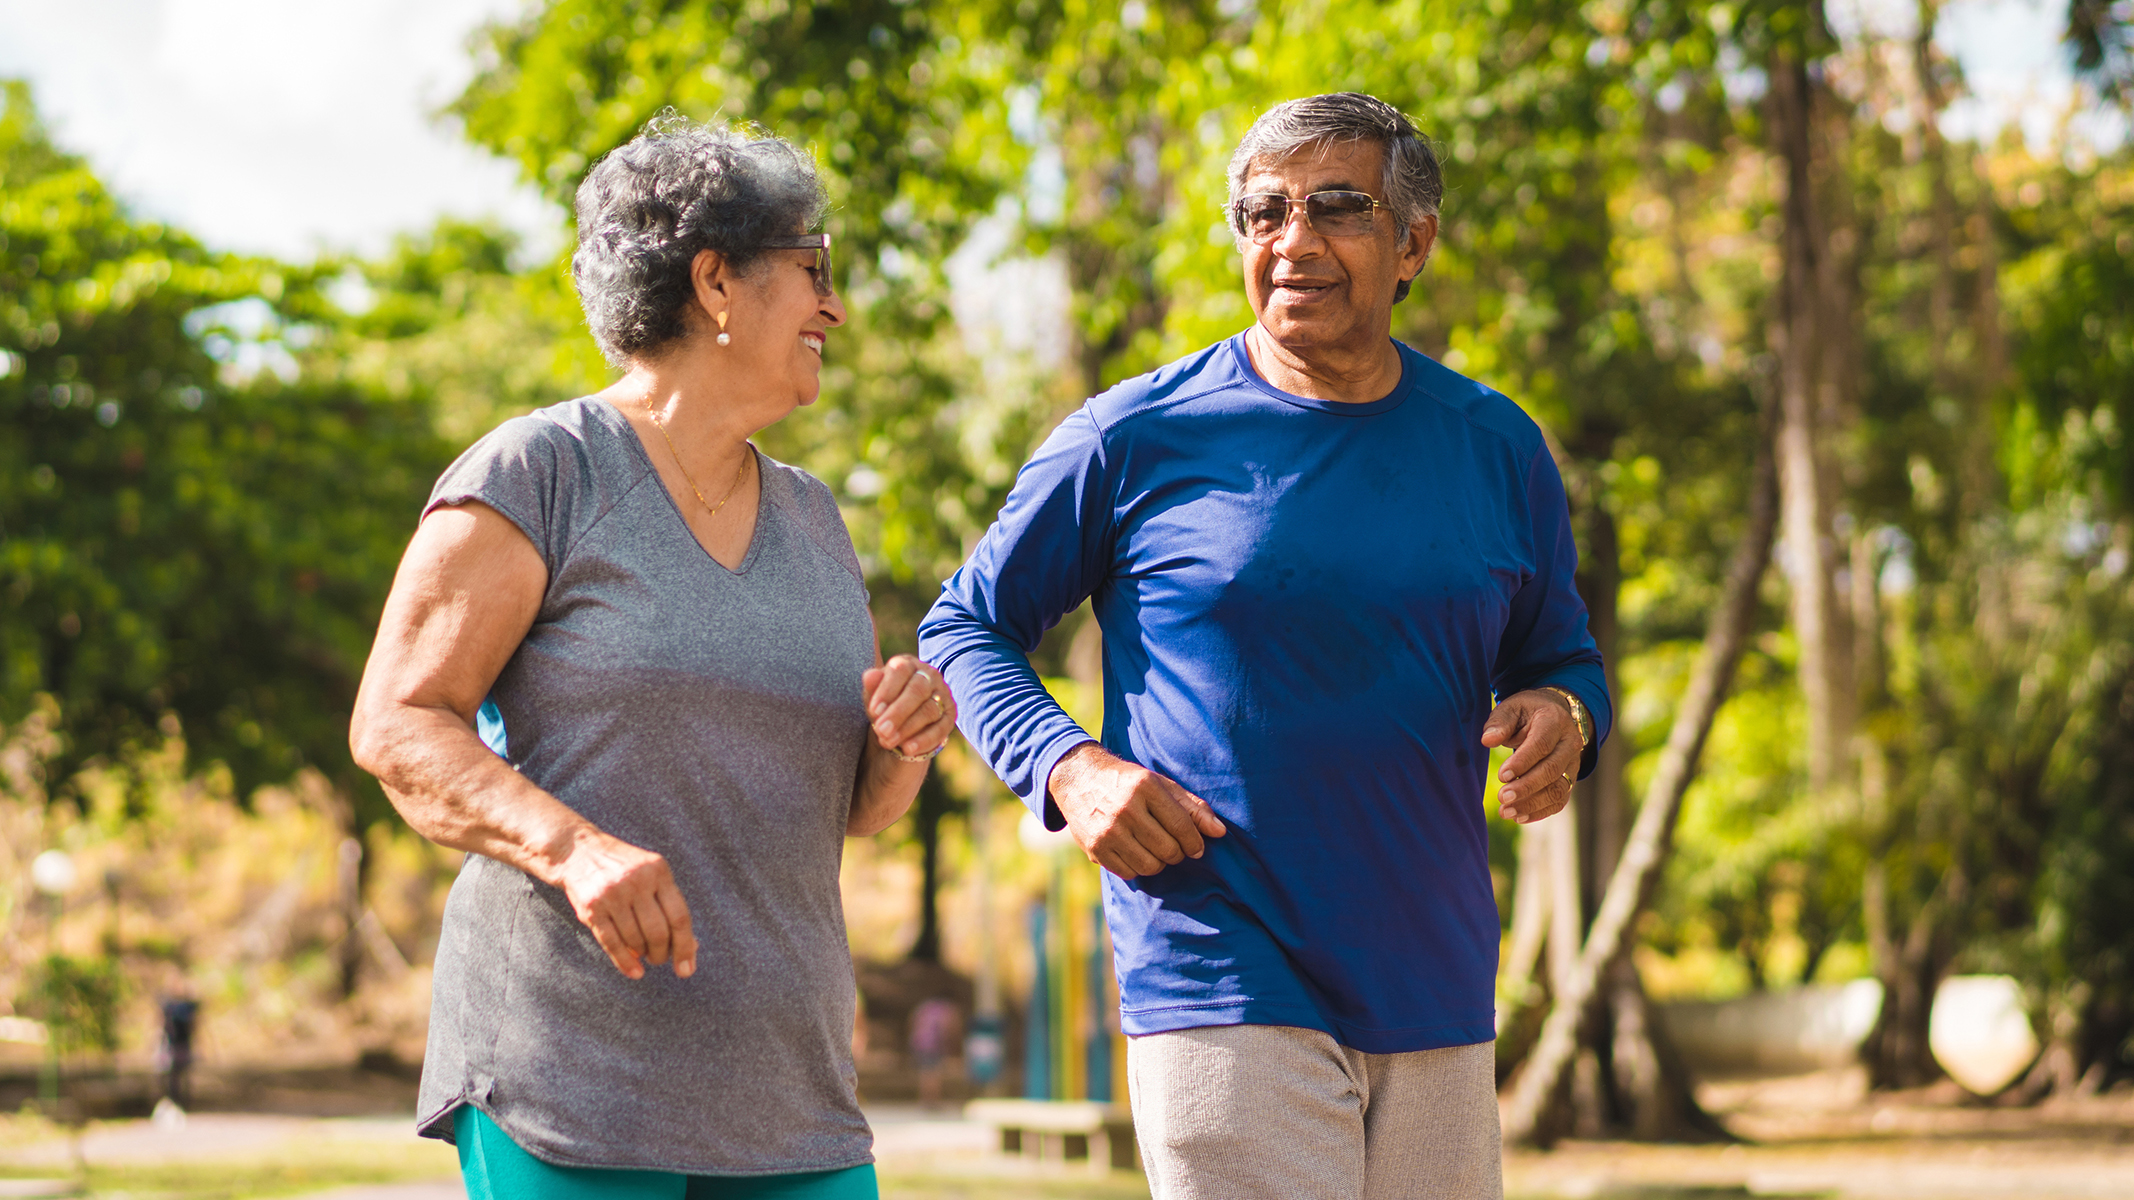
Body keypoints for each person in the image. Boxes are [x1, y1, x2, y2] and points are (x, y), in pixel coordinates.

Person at [917, 92, 1608, 1200]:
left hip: (1433, 976)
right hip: (1217, 958)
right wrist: (1068, 765)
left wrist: (1563, 716)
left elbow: (1557, 655)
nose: (1292, 241)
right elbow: (965, 624)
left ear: (1413, 243)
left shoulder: (1495, 447)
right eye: (1261, 212)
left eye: (1337, 207)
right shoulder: (1132, 437)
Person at [349, 115, 957, 1200]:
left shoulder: (816, 521)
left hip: (792, 1099)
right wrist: (576, 849)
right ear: (716, 281)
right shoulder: (542, 471)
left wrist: (905, 741)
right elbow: (397, 725)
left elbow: (853, 809)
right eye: (812, 270)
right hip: (571, 1086)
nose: (836, 306)